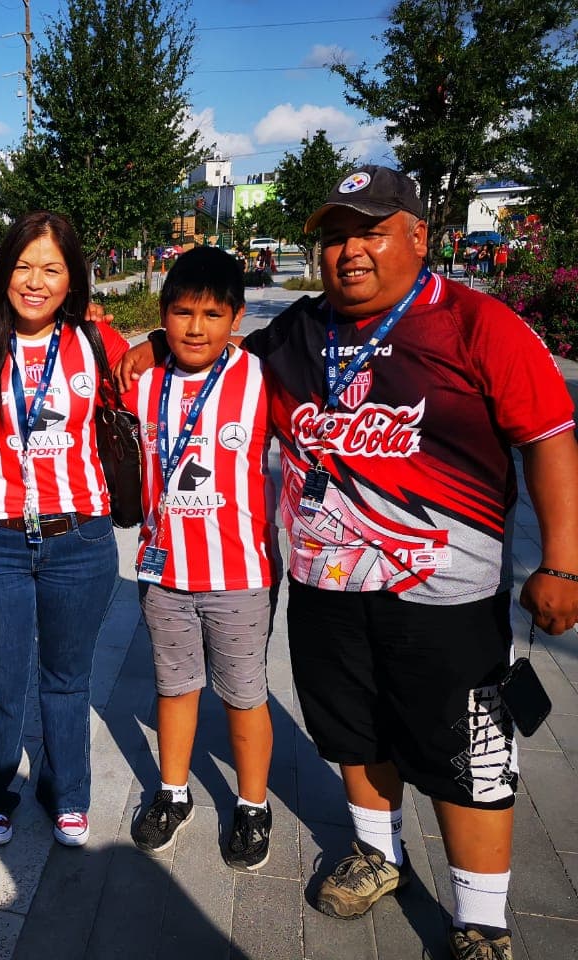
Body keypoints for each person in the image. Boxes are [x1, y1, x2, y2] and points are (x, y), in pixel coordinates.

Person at [120, 165, 578, 960]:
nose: (350, 251)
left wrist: (563, 563)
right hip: (325, 586)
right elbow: (213, 348)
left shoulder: (478, 322)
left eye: (370, 231)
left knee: (465, 756)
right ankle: (376, 853)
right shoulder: (300, 330)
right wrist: (157, 341)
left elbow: (548, 437)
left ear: (419, 236)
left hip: (445, 594)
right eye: (335, 236)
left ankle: (480, 920)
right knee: (354, 731)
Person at [0, 210, 128, 849]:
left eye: (51, 269)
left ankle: (67, 791)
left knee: (67, 679)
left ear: (72, 277)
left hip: (80, 539)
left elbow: (162, 371)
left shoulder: (98, 343)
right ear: (4, 272)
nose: (35, 281)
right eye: (23, 266)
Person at [123, 247, 280, 872]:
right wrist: (141, 346)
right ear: (162, 315)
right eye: (181, 313)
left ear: (236, 318)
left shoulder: (261, 377)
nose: (195, 328)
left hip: (238, 575)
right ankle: (173, 792)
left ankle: (253, 804)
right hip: (162, 572)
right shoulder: (143, 382)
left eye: (212, 315)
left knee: (245, 695)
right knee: (174, 687)